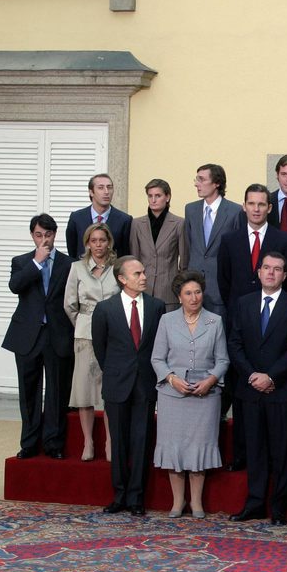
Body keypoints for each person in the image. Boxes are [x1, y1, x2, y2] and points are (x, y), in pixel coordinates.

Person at [217, 184, 287, 471]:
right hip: (243, 323)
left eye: (262, 204)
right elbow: (224, 283)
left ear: (269, 208)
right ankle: (241, 457)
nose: (256, 208)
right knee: (243, 398)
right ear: (244, 206)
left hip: (275, 326)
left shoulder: (284, 240)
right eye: (251, 203)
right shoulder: (229, 240)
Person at [227, 252, 287, 525]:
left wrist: (271, 377)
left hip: (279, 391)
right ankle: (255, 503)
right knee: (255, 450)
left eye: (277, 269)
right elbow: (234, 343)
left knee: (281, 451)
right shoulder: (243, 303)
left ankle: (280, 508)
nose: (271, 273)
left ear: (285, 275)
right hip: (248, 390)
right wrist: (251, 375)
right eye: (267, 268)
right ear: (259, 272)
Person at [151, 271, 229, 519]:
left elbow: (223, 360)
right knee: (174, 450)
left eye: (197, 292)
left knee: (198, 449)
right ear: (179, 296)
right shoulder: (167, 320)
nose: (194, 297)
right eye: (188, 293)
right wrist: (172, 379)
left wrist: (211, 380)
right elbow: (157, 358)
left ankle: (196, 503)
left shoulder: (214, 321)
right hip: (172, 396)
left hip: (205, 397)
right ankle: (177, 502)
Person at [91, 256, 166, 516]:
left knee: (141, 441)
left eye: (143, 272)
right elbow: (100, 348)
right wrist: (116, 371)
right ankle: (119, 495)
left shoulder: (157, 307)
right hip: (116, 384)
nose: (143, 277)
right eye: (137, 274)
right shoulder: (105, 309)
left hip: (145, 384)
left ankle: (137, 498)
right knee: (119, 442)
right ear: (122, 279)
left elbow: (158, 346)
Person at [3, 214, 74, 459]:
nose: (44, 239)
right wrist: (37, 262)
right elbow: (15, 286)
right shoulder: (22, 261)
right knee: (29, 391)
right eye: (39, 235)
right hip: (27, 335)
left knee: (56, 391)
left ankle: (53, 443)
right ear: (33, 236)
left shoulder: (68, 264)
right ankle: (29, 443)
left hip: (57, 334)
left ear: (55, 234)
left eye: (48, 234)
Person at [63, 222, 119, 462]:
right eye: (94, 241)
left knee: (110, 391)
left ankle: (109, 441)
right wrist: (84, 323)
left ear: (109, 243)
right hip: (85, 333)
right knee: (84, 391)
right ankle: (88, 441)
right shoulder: (77, 268)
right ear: (87, 243)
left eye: (102, 240)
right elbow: (69, 304)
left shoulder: (118, 267)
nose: (98, 245)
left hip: (113, 334)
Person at [184, 163, 243, 315]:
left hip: (220, 289)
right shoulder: (191, 209)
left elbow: (237, 251)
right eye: (196, 179)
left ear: (216, 183)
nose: (196, 183)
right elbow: (189, 246)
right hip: (193, 287)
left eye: (202, 179)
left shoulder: (234, 211)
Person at [129, 178, 187, 311]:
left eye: (158, 195)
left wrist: (180, 288)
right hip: (143, 289)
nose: (153, 200)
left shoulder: (179, 223)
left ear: (167, 197)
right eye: (150, 196)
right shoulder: (137, 224)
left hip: (169, 291)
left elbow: (184, 261)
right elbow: (134, 259)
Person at [65, 174, 131, 259]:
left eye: (109, 187)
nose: (106, 191)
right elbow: (72, 251)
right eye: (101, 187)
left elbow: (125, 254)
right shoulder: (76, 218)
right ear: (91, 192)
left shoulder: (124, 220)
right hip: (83, 269)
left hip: (112, 270)